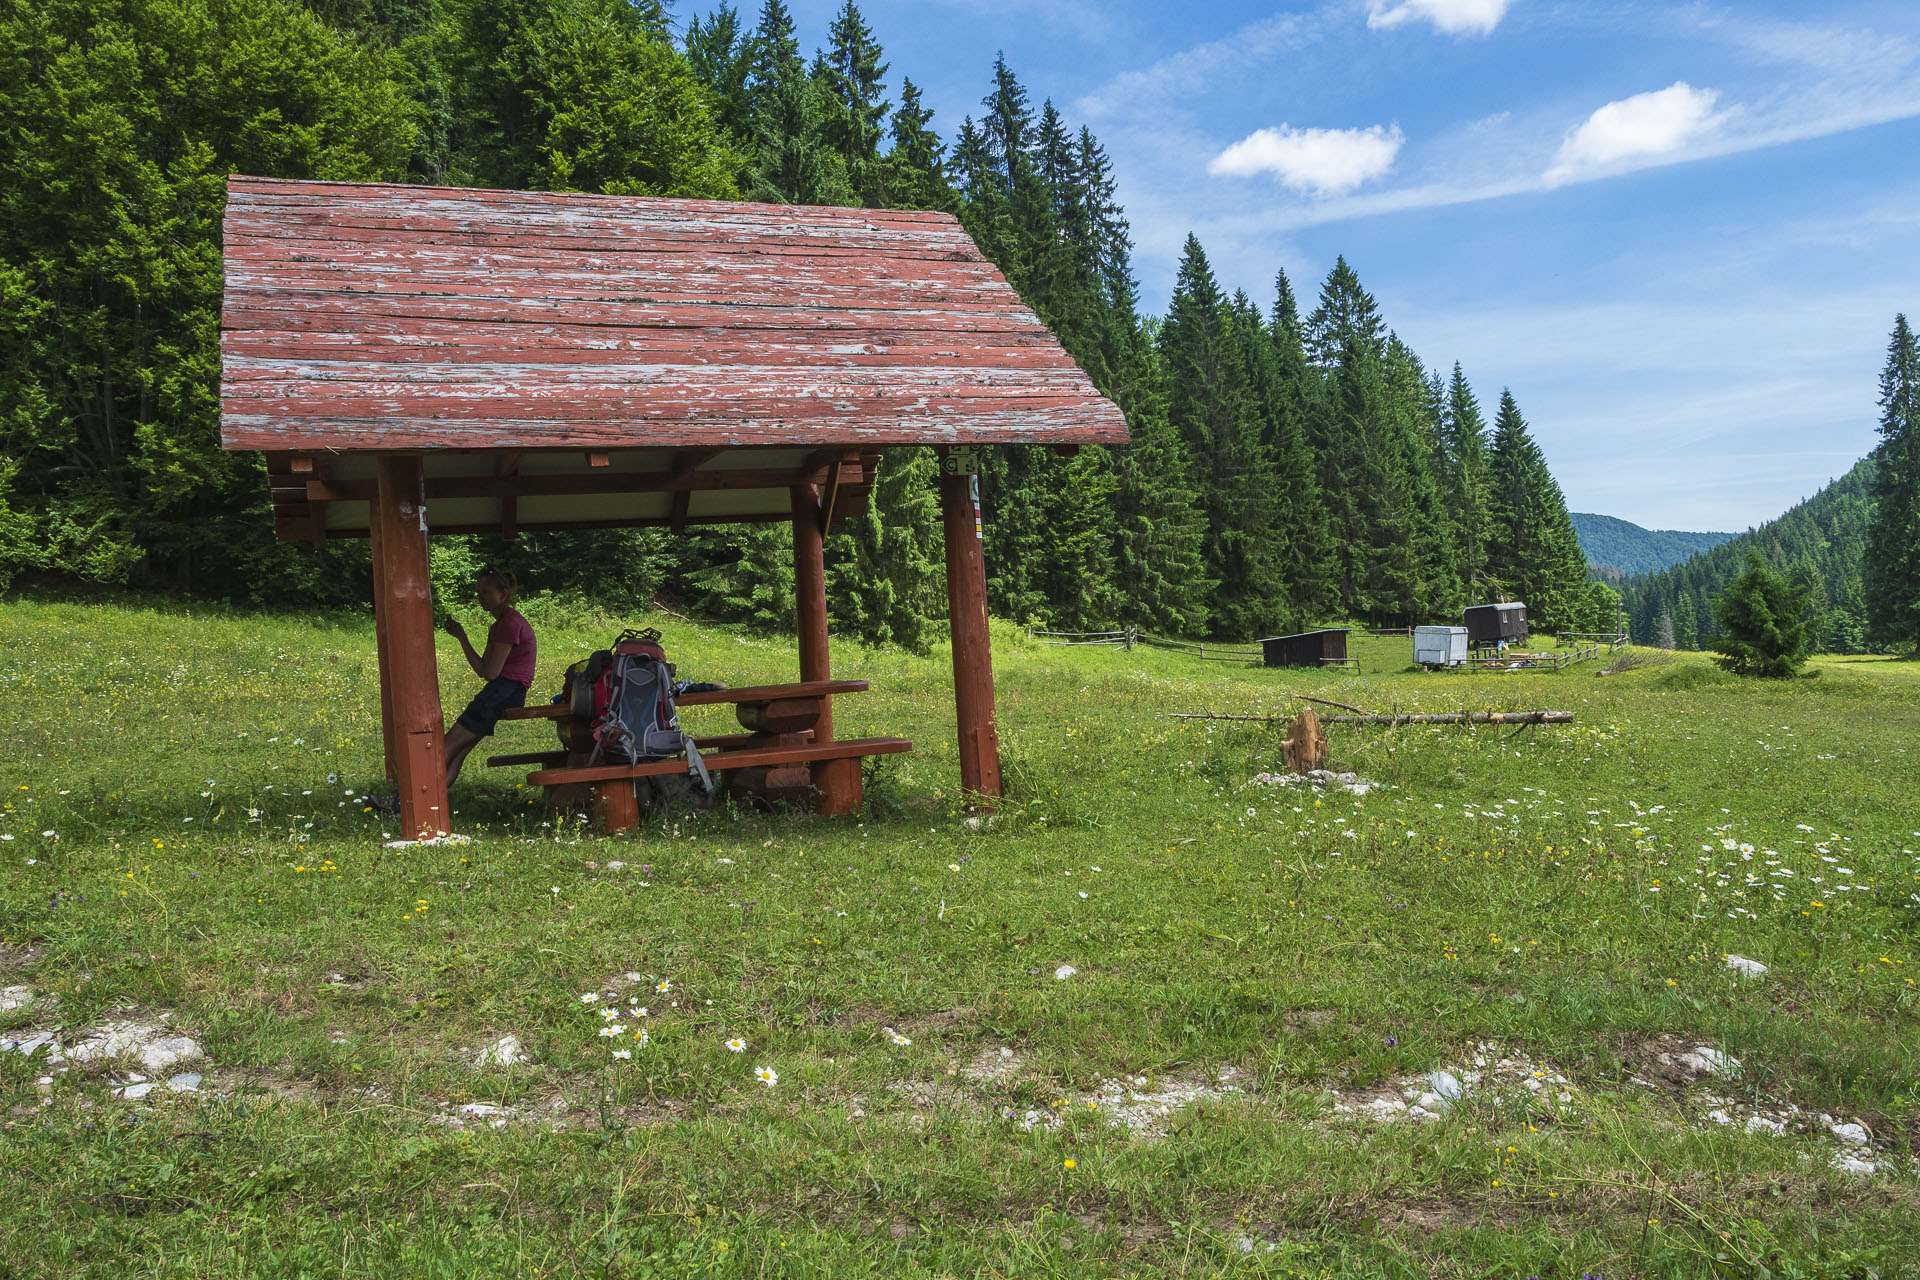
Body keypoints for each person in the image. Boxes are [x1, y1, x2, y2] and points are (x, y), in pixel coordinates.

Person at [441, 568, 537, 788]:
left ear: (503, 595)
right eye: (477, 591)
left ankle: (413, 800)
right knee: (459, 750)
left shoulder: (509, 625)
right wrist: (461, 637)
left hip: (504, 691)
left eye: (485, 592)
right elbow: (483, 670)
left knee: (448, 745)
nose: (479, 597)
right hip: (505, 690)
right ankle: (431, 804)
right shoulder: (498, 626)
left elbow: (492, 673)